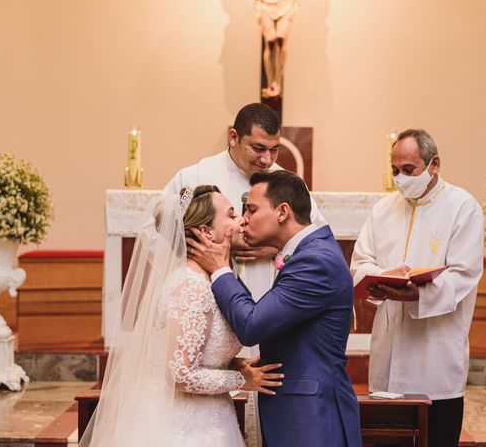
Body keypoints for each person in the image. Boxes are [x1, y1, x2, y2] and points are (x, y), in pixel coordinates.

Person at [163, 102, 324, 445]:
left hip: (267, 305)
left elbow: (311, 238)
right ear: (233, 137)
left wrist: (275, 245)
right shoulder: (193, 177)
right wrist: (211, 257)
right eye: (258, 149)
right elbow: (159, 236)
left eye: (274, 149)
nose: (267, 160)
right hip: (204, 302)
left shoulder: (286, 185)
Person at [79, 186, 282, 446]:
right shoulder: (191, 287)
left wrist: (233, 365)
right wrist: (242, 379)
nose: (241, 219)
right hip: (180, 428)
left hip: (208, 418)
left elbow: (194, 353)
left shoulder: (213, 282)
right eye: (231, 215)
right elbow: (178, 375)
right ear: (206, 232)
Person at [188, 170, 361, 446]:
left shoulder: (316, 261)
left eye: (252, 209)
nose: (244, 219)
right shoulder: (311, 252)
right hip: (300, 412)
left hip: (311, 418)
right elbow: (263, 315)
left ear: (282, 212)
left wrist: (220, 270)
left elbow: (252, 326)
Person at [350, 129, 484, 447]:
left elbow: (464, 274)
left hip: (435, 351)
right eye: (395, 170)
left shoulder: (463, 207)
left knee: (435, 436)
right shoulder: (382, 210)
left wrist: (418, 292)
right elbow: (361, 262)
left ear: (434, 164)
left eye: (408, 170)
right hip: (389, 346)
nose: (400, 179)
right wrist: (382, 276)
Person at [254, 0, 297, 98]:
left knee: (280, 39)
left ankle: (277, 82)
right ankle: (270, 82)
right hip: (266, 0)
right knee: (270, 41)